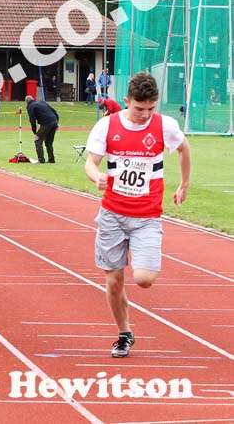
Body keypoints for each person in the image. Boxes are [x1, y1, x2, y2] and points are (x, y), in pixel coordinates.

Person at [84, 72, 190, 357]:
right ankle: (124, 333)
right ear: (126, 101)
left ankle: (126, 324)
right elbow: (91, 163)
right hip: (112, 214)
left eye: (150, 108)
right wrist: (97, 176)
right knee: (114, 280)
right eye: (139, 108)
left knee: (144, 279)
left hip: (147, 216)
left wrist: (184, 184)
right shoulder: (106, 125)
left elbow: (183, 149)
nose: (145, 115)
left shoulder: (165, 125)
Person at [25, 95, 59, 163]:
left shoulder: (31, 107)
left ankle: (41, 160)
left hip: (46, 123)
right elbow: (55, 111)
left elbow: (32, 120)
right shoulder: (42, 102)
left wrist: (35, 133)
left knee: (38, 141)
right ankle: (51, 159)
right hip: (54, 121)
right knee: (49, 142)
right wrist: (57, 122)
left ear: (26, 102)